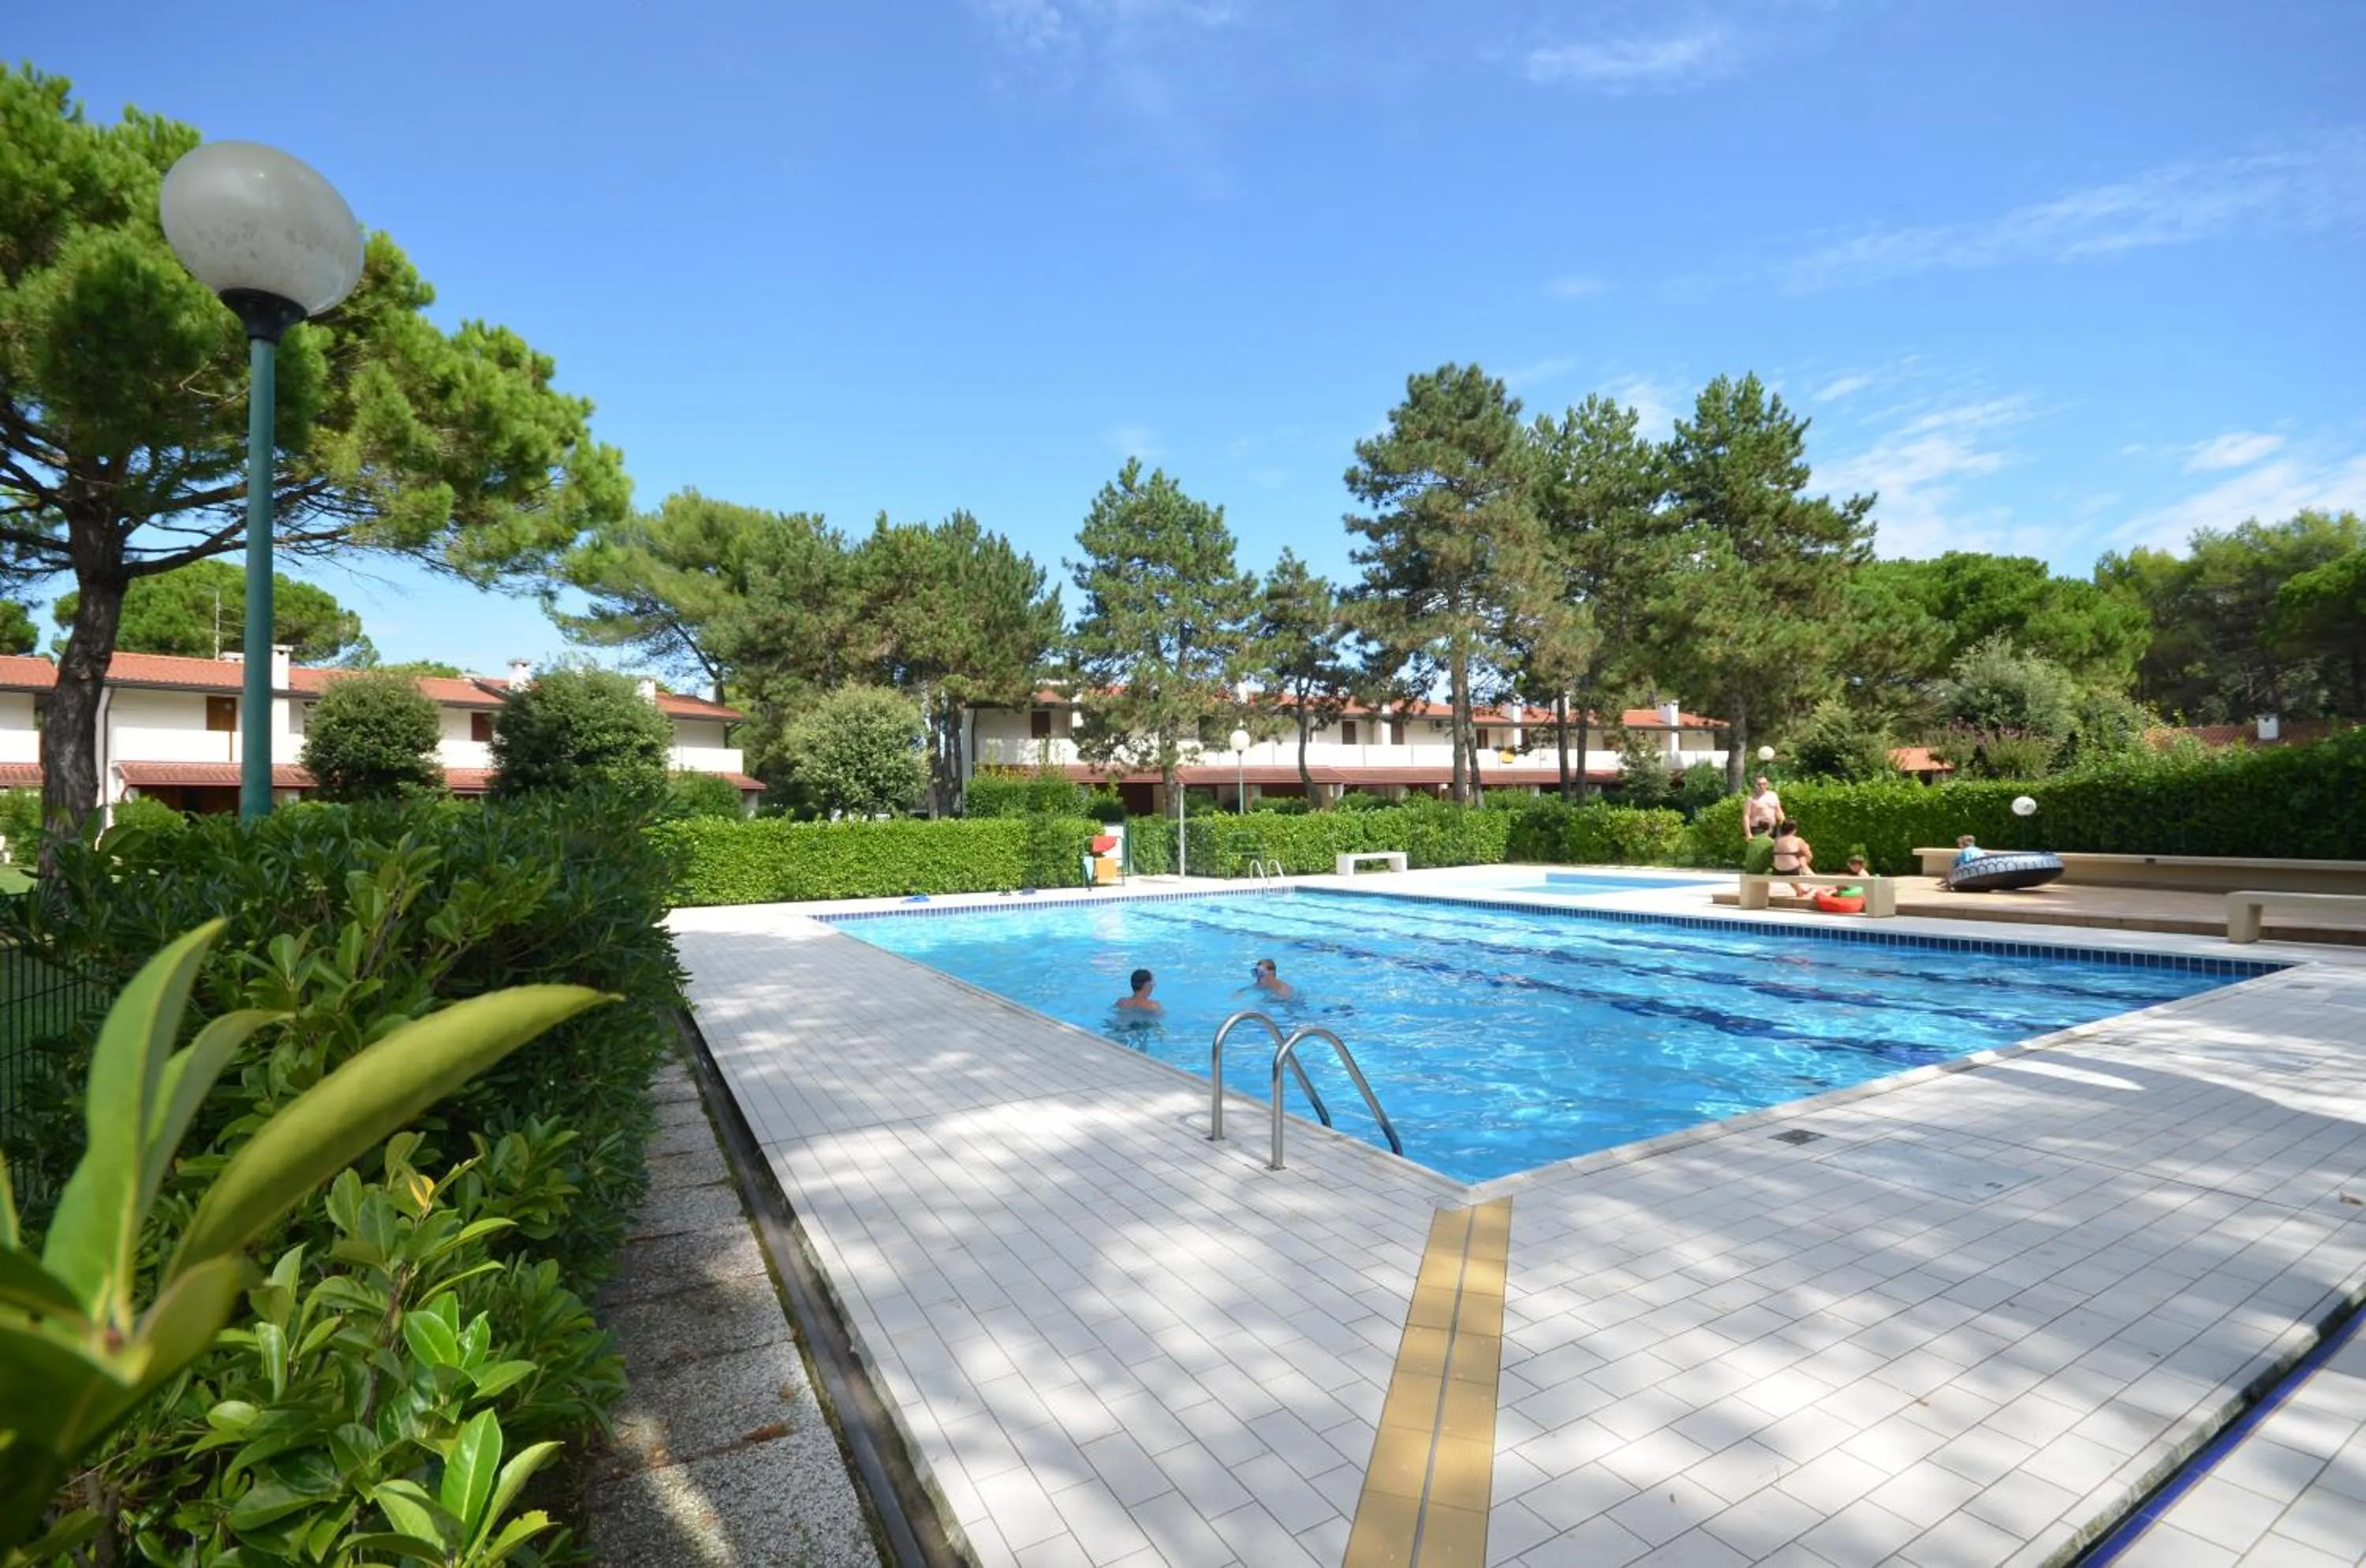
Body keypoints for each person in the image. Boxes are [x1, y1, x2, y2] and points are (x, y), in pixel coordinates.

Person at [1771, 819, 1814, 898]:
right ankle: (1806, 871)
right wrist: (1804, 865)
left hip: (1777, 869)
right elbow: (1809, 856)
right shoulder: (1797, 840)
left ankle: (1800, 891)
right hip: (1792, 870)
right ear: (1794, 830)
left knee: (1789, 863)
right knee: (1802, 856)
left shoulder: (1776, 840)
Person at [1743, 775, 1784, 840]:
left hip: (1773, 828)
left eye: (1764, 784)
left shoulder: (1773, 795)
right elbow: (1746, 816)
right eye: (1759, 784)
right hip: (1758, 829)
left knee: (1775, 849)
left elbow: (1778, 810)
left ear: (1767, 784)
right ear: (1755, 785)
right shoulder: (1751, 799)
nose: (1762, 786)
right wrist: (1748, 833)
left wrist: (1783, 824)